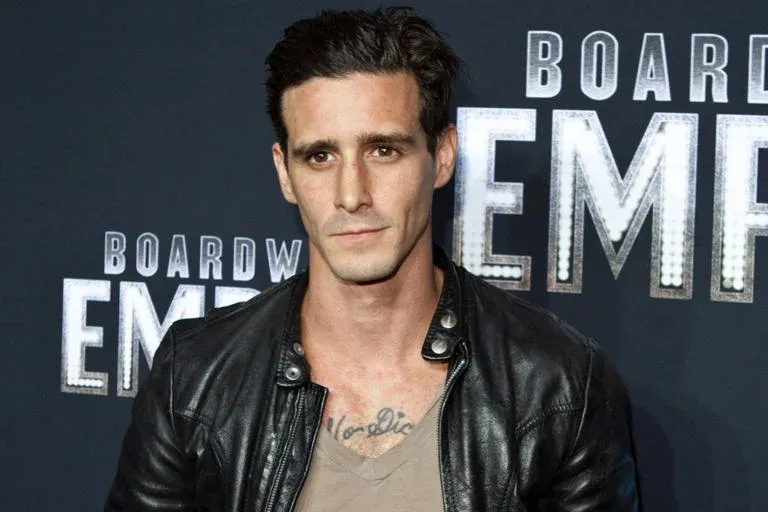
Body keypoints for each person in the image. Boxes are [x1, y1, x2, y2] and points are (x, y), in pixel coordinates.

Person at [105, 7, 638, 511]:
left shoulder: (560, 386)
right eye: (320, 156)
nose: (351, 194)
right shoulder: (193, 379)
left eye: (384, 150)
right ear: (285, 173)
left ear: (442, 155)